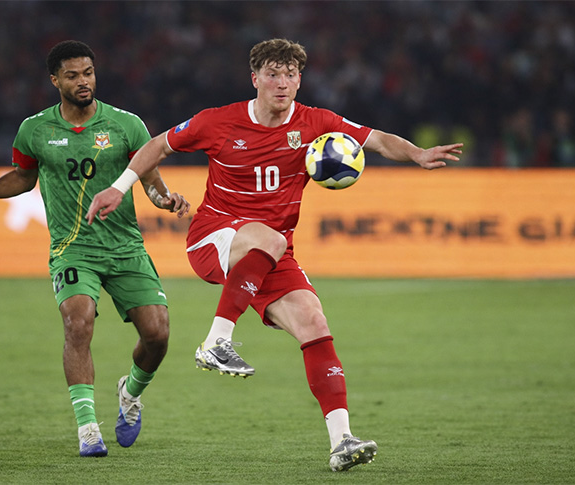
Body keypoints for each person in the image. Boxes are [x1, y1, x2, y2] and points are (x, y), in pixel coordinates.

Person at [86, 38, 462, 471]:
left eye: (290, 75)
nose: (282, 83)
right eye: (272, 74)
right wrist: (119, 188)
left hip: (270, 250)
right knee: (271, 239)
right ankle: (216, 341)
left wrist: (416, 153)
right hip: (214, 238)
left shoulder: (316, 121)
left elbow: (375, 139)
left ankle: (341, 441)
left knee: (314, 323)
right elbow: (157, 146)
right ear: (255, 79)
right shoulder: (218, 121)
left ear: (299, 80)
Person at [0, 40, 190, 457]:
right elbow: (23, 177)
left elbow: (150, 180)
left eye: (88, 72)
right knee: (78, 324)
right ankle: (88, 428)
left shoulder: (127, 125)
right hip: (72, 249)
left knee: (158, 334)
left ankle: (130, 392)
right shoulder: (35, 130)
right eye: (72, 75)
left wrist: (166, 199)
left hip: (125, 247)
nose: (83, 81)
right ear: (55, 80)